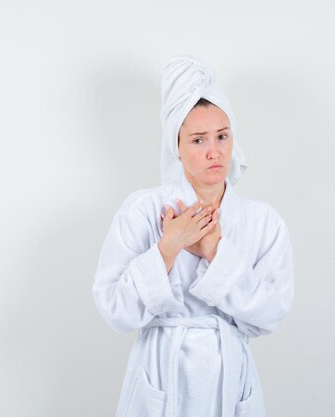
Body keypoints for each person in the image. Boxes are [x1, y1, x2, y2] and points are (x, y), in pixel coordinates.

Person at [92, 55, 295, 417]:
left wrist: (215, 250)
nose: (214, 152)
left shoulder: (264, 221)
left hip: (229, 376)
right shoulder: (142, 210)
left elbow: (270, 314)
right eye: (198, 140)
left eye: (222, 136)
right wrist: (168, 247)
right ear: (177, 145)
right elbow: (115, 310)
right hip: (161, 373)